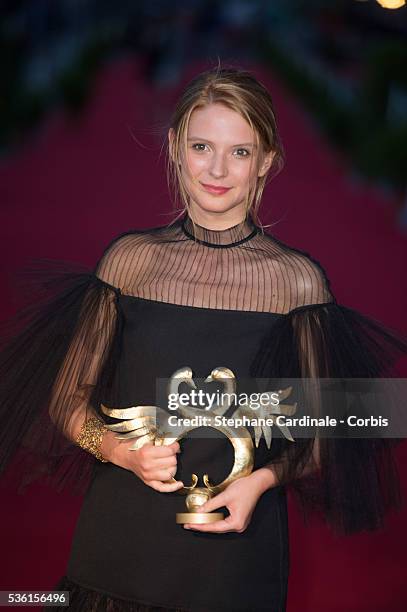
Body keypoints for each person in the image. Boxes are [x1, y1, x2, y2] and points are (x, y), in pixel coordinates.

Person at [0, 66, 406, 612]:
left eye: (240, 152)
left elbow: (329, 425)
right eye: (201, 146)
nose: (217, 168)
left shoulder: (297, 282)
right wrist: (119, 449)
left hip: (236, 554)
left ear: (267, 161)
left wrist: (261, 480)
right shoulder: (130, 263)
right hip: (120, 546)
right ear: (174, 148)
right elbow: (68, 397)